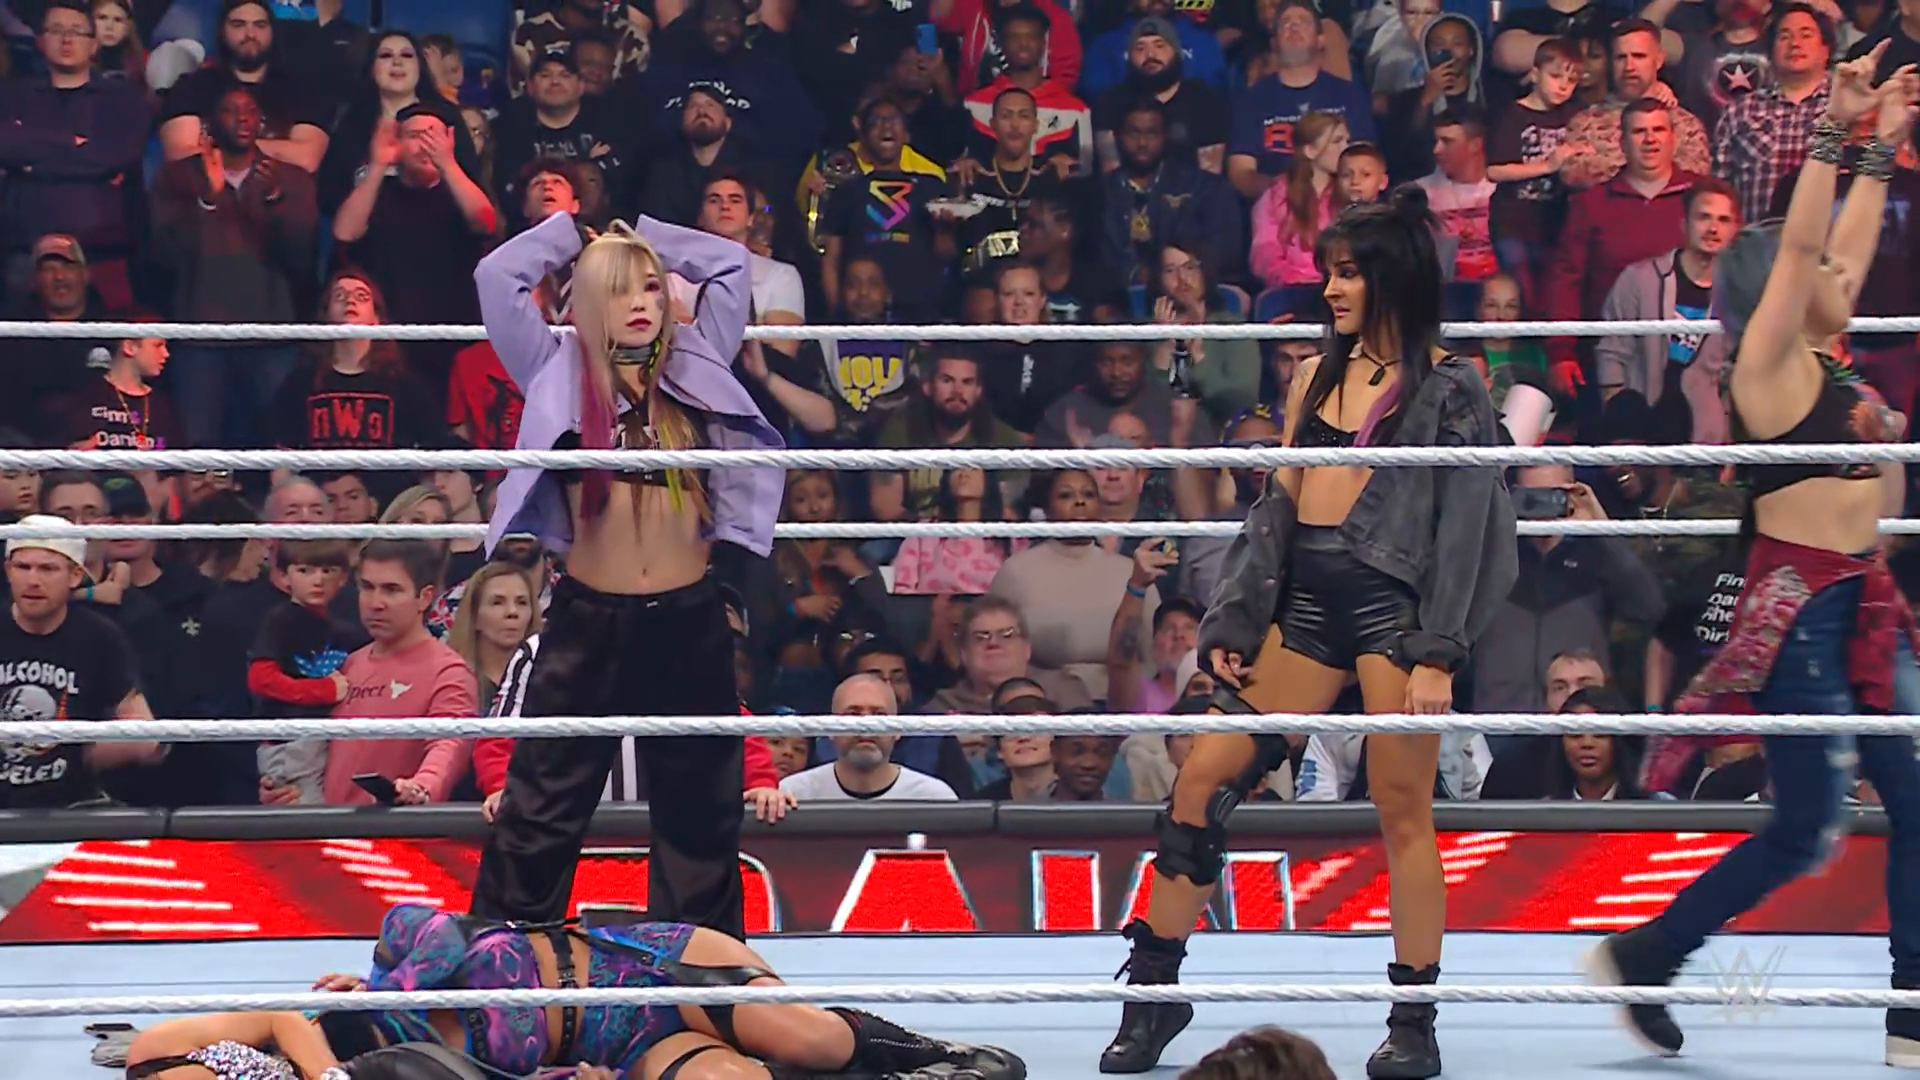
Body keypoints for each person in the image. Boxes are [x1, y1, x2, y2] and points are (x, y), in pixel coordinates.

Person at [1101, 188, 1517, 1080]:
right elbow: (1278, 505)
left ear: (1392, 279)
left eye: (1349, 273)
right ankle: (1153, 991)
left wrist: (1439, 650)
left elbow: (1471, 528)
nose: (1330, 289)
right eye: (1330, 271)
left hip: (1394, 609)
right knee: (1204, 777)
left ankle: (1413, 1021)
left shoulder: (1451, 386)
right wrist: (1239, 612)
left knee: (1403, 807)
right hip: (1308, 602)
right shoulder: (1315, 376)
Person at [1586, 45, 1920, 1069]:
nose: (1839, 277)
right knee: (1807, 830)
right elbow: (1810, 242)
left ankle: (1910, 1006)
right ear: (1778, 288)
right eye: (1815, 273)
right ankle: (1653, 949)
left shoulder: (1825, 353)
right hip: (1802, 614)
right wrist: (1828, 130)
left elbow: (1839, 245)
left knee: (1910, 803)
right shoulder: (1767, 368)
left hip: (1865, 600)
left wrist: (1881, 142)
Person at [467, 208, 783, 938]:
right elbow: (496, 276)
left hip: (688, 614)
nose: (641, 302)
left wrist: (647, 236)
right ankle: (503, 959)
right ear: (586, 300)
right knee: (541, 804)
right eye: (619, 288)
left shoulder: (698, 359)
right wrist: (571, 237)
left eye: (650, 286)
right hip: (589, 617)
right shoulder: (554, 367)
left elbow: (730, 265)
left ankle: (699, 968)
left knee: (700, 811)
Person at [122, 904, 1025, 1080]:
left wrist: (376, 993)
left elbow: (158, 1046)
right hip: (623, 1044)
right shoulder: (396, 1071)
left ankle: (930, 1049)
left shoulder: (372, 986)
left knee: (811, 1038)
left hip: (629, 964)